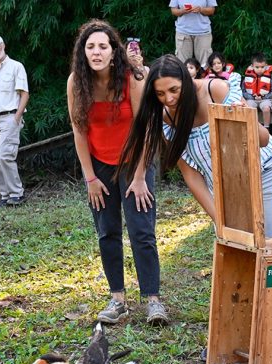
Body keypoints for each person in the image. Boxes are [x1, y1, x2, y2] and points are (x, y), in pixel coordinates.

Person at [120, 54, 272, 240]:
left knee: (265, 242)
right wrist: (219, 220)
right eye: (160, 94)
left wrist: (247, 117)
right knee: (236, 245)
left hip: (265, 174)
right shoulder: (167, 119)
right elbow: (191, 174)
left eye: (174, 89)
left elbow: (263, 141)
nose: (168, 99)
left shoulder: (215, 90)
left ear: (186, 79)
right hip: (224, 188)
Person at [66, 19, 166, 325]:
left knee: (141, 230)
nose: (96, 52)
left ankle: (153, 300)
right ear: (83, 52)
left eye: (102, 46)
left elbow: (147, 128)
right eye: (90, 46)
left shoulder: (132, 78)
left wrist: (138, 178)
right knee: (107, 231)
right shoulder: (76, 82)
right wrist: (90, 179)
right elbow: (79, 132)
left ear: (113, 51)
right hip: (99, 165)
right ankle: (117, 300)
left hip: (136, 160)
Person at [0, 33, 29, 208]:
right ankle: (5, 195)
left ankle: (17, 193)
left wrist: (17, 117)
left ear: (3, 45)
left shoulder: (16, 67)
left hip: (10, 116)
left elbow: (24, 93)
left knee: (5, 155)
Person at [169, 0, 217, 68]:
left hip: (203, 32)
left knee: (205, 64)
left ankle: (204, 78)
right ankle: (184, 78)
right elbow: (173, 10)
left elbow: (212, 10)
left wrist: (201, 9)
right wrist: (182, 11)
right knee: (182, 64)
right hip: (183, 31)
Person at [242, 52, 272, 126]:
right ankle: (251, 126)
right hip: (251, 99)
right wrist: (252, 96)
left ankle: (266, 128)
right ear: (252, 66)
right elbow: (243, 91)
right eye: (257, 67)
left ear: (266, 66)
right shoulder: (247, 78)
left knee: (266, 108)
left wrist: (263, 97)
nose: (260, 69)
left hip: (265, 99)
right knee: (249, 107)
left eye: (262, 67)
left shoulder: (270, 78)